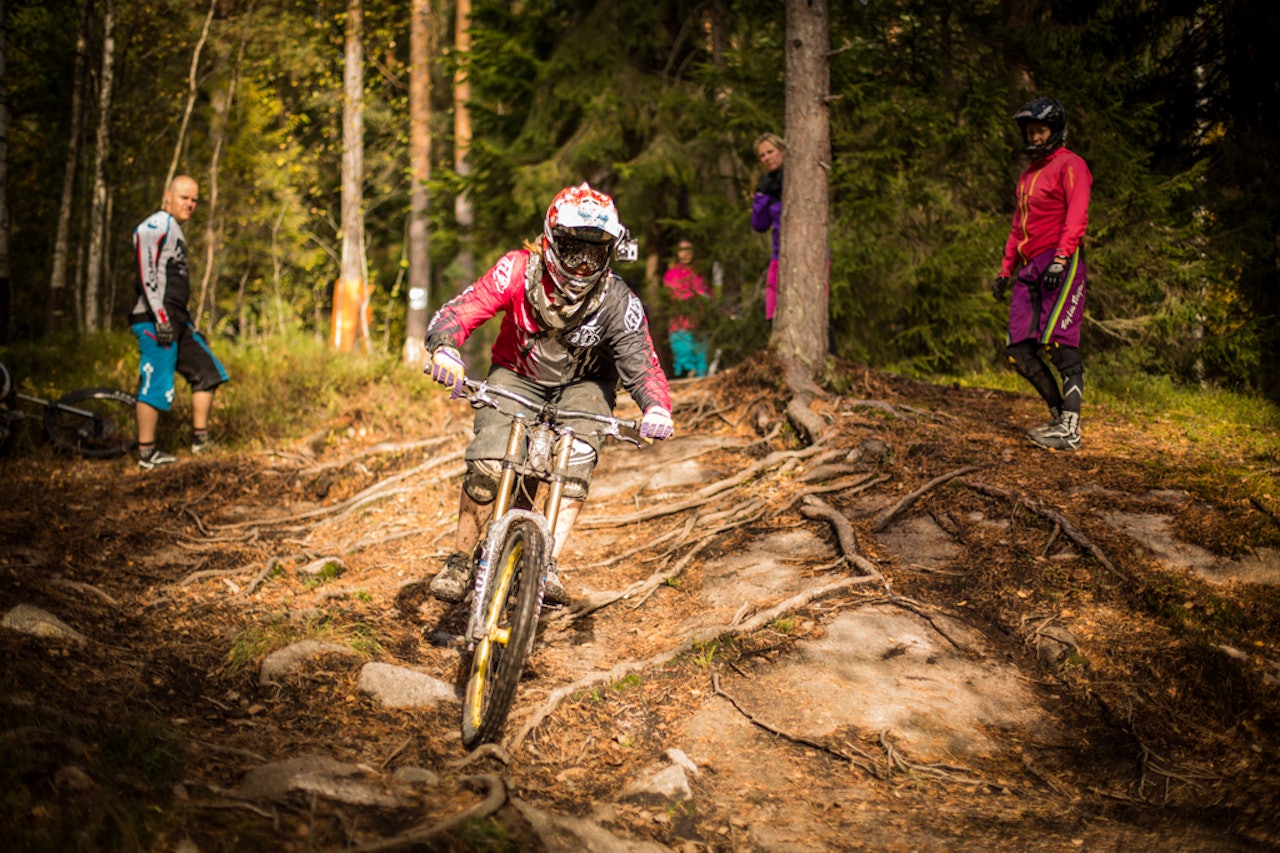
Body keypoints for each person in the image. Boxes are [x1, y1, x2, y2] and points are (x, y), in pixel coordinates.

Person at [423, 183, 675, 606]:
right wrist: (446, 347)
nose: (581, 263)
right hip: (517, 375)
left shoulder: (617, 300)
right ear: (550, 239)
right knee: (486, 464)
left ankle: (549, 562)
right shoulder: (517, 271)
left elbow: (641, 359)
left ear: (610, 252)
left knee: (574, 467)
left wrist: (657, 408)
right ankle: (461, 559)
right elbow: (466, 306)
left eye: (593, 252)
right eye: (572, 248)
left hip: (585, 386)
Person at [992, 98, 1092, 452]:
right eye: (1030, 131)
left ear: (1056, 131)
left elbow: (1077, 215)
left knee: (1059, 342)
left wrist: (1061, 259)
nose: (1035, 137)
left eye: (1041, 131)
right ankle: (1057, 415)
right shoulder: (1027, 177)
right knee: (1019, 350)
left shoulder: (1071, 165)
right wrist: (1006, 271)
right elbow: (1018, 227)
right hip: (1030, 266)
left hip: (1058, 262)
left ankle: (1071, 429)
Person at [130, 175, 230, 470]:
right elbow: (146, 272)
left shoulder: (174, 229)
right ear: (168, 197)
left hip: (177, 321)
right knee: (157, 382)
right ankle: (147, 454)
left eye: (194, 199)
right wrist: (160, 319)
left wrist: (185, 322)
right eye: (184, 197)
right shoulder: (156, 225)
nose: (190, 204)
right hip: (154, 319)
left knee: (208, 372)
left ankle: (201, 442)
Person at [661, 239, 711, 378]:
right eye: (682, 250)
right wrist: (698, 296)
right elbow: (676, 295)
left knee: (702, 365)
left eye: (689, 249)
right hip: (681, 327)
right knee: (684, 363)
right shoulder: (672, 274)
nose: (686, 253)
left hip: (701, 325)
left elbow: (709, 294)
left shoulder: (700, 273)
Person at [751, 132, 785, 321]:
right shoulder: (768, 185)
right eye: (762, 155)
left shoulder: (799, 177)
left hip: (808, 252)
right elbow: (759, 224)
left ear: (782, 150)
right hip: (779, 253)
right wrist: (762, 195)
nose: (766, 158)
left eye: (770, 152)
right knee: (773, 313)